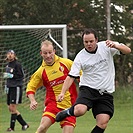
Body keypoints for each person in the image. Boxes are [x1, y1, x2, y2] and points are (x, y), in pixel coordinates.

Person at [55, 28, 131, 133]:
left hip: (105, 92)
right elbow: (71, 76)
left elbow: (128, 50)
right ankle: (67, 112)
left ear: (96, 40)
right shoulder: (80, 57)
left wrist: (116, 45)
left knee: (103, 123)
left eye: (91, 41)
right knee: (80, 110)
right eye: (86, 42)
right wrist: (62, 92)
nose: (89, 44)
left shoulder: (106, 46)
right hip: (88, 89)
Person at [26, 40, 78, 133]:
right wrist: (32, 101)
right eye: (45, 53)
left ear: (54, 51)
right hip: (53, 104)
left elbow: (81, 76)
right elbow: (31, 87)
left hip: (70, 106)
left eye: (50, 52)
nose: (48, 55)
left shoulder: (66, 63)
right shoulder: (40, 72)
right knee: (42, 128)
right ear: (41, 53)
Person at [3, 50, 29, 132]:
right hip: (9, 87)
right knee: (10, 108)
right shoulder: (8, 65)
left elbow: (21, 75)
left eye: (12, 54)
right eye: (8, 54)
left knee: (13, 107)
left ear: (14, 55)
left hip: (16, 87)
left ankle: (12, 128)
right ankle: (24, 124)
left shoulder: (17, 64)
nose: (10, 55)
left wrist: (12, 75)